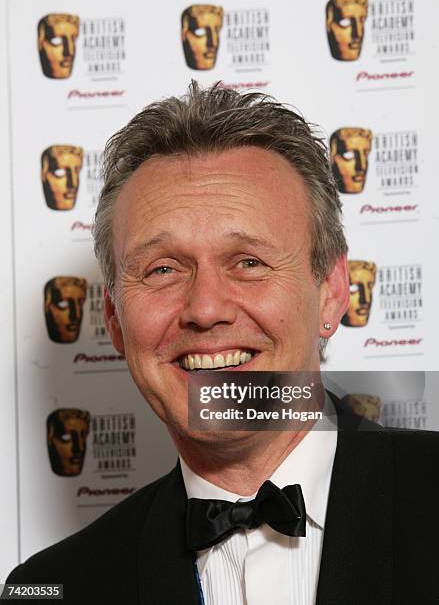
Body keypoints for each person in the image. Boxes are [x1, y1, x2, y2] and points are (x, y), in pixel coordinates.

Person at [6, 83, 439, 604]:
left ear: (331, 293)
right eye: (163, 269)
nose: (206, 309)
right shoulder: (59, 586)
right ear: (115, 320)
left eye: (249, 262)